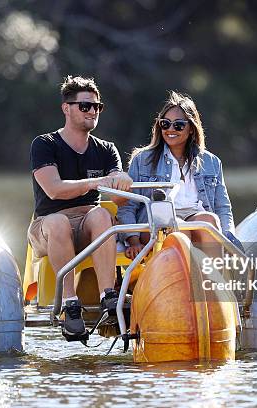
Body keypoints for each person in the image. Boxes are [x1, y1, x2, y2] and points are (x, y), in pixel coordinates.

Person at [28, 75, 132, 341]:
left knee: (101, 213)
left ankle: (109, 298)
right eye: (85, 106)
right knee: (58, 223)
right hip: (47, 225)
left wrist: (124, 185)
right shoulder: (45, 144)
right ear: (66, 108)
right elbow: (54, 189)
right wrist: (95, 182)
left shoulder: (107, 149)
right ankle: (70, 305)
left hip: (88, 223)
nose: (92, 111)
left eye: (97, 107)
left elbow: (118, 200)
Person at [117, 91, 234, 259]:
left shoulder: (211, 162)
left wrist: (229, 237)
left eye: (178, 125)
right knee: (179, 229)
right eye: (165, 124)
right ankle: (190, 282)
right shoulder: (142, 159)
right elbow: (128, 206)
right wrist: (133, 241)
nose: (170, 129)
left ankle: (212, 281)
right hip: (156, 224)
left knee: (209, 220)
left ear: (192, 129)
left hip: (195, 217)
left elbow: (223, 207)